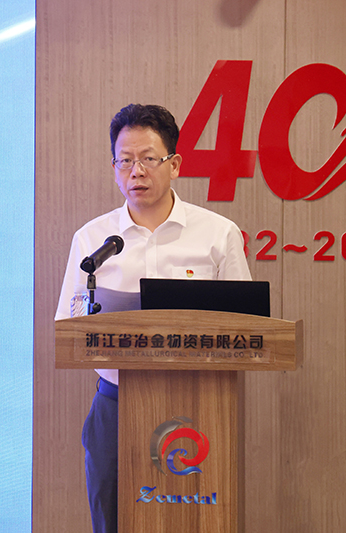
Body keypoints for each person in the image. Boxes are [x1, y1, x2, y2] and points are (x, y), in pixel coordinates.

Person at [55, 103, 251, 533]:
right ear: (114, 168)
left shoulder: (218, 233)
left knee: (197, 520)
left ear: (174, 165)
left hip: (198, 403)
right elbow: (68, 325)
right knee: (112, 517)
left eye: (148, 159)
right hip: (115, 403)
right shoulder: (92, 240)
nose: (136, 172)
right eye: (124, 161)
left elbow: (245, 324)